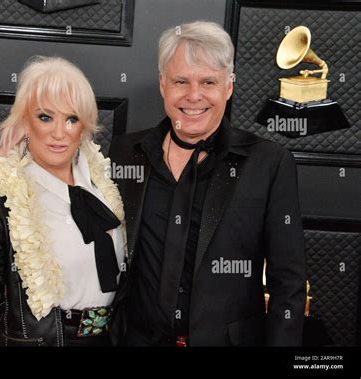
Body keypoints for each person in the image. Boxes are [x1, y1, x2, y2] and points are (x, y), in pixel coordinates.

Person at [109, 21, 306, 346]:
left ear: (228, 87)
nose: (194, 95)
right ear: (163, 84)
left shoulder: (269, 164)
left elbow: (289, 283)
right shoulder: (124, 153)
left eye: (209, 82)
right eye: (181, 81)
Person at [0, 56, 126, 347]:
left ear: (84, 126)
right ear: (25, 122)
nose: (59, 132)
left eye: (71, 118)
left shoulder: (108, 186)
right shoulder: (0, 201)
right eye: (45, 116)